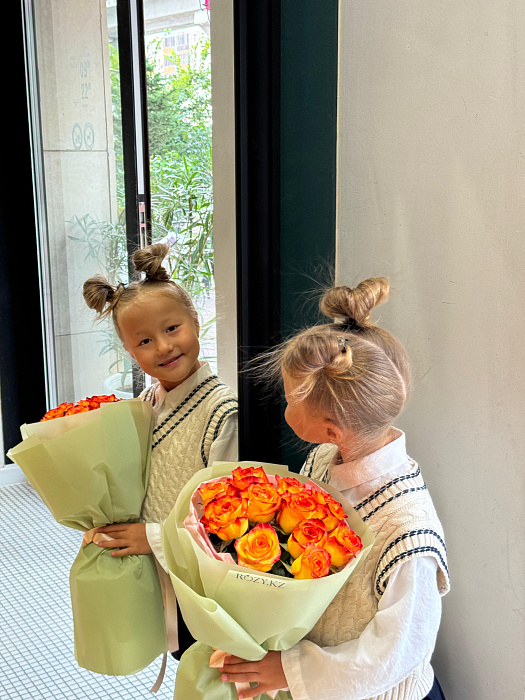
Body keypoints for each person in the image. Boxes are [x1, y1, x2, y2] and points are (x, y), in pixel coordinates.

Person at [221, 278, 449, 700]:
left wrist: (290, 671)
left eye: (290, 399)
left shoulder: (408, 532)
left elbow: (395, 654)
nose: (284, 405)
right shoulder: (325, 459)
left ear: (331, 429)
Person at [82, 243, 238, 658]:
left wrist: (151, 537)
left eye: (172, 329)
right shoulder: (146, 405)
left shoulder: (223, 412)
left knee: (205, 664)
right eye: (145, 340)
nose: (164, 347)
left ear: (196, 321)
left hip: (202, 581)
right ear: (131, 353)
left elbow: (225, 519)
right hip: (157, 573)